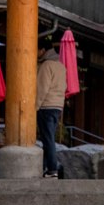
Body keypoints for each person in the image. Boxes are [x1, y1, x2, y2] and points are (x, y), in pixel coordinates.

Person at [36, 39, 67, 179]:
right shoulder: (61, 66)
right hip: (57, 106)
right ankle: (45, 168)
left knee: (47, 139)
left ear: (42, 50)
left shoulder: (46, 65)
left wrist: (34, 107)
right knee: (48, 138)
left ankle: (52, 169)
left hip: (46, 106)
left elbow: (41, 89)